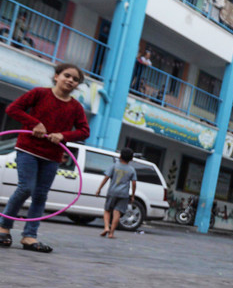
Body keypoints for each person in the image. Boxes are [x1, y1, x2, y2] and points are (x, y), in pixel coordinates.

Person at [0, 63, 91, 253]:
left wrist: (64, 135)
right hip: (28, 149)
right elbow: (13, 109)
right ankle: (3, 228)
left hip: (52, 155)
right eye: (67, 75)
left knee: (41, 195)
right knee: (25, 188)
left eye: (76, 80)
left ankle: (29, 236)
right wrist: (35, 123)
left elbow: (84, 131)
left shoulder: (75, 107)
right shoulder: (39, 93)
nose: (71, 81)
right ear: (56, 76)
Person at [96, 148, 137, 239]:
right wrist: (133, 195)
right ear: (131, 159)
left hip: (112, 192)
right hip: (123, 194)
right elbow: (134, 183)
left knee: (107, 210)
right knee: (117, 213)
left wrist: (99, 189)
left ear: (120, 156)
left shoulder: (114, 166)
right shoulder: (132, 170)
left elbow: (106, 178)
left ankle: (106, 227)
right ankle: (111, 233)